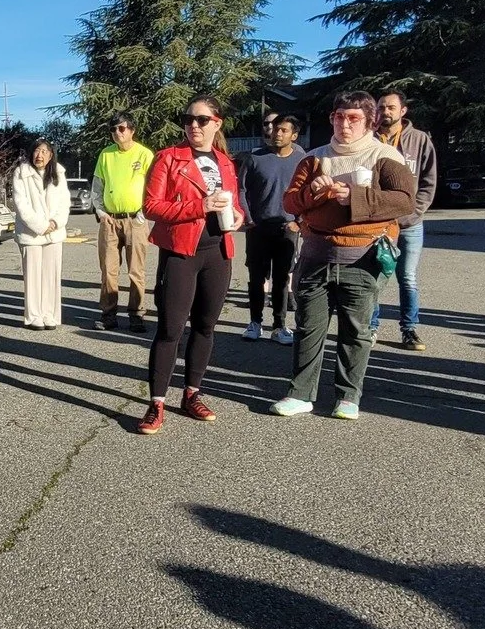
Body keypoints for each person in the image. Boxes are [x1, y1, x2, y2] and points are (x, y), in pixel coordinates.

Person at [269, 92, 418, 420]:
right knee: (308, 327)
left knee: (356, 330)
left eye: (353, 118)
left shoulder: (385, 156)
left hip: (363, 258)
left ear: (369, 121)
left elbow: (405, 200)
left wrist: (356, 196)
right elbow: (291, 203)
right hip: (315, 256)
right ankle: (301, 393)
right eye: (339, 116)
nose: (344, 124)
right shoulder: (315, 158)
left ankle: (348, 396)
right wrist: (314, 192)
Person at [136, 95, 245, 434]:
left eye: (201, 120)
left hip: (218, 251)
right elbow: (152, 207)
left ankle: (192, 393)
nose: (193, 125)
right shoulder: (169, 158)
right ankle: (156, 403)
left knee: (205, 327)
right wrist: (201, 205)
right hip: (181, 251)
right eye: (188, 119)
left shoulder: (226, 163)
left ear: (217, 123)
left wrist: (238, 215)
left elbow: (234, 204)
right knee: (170, 330)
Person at [370, 91, 439, 351]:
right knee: (374, 278)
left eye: (391, 107)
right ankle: (371, 327)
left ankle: (409, 329)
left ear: (403, 111)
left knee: (407, 278)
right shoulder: (369, 140)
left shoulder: (419, 140)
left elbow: (429, 182)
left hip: (410, 225)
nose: (385, 111)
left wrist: (414, 212)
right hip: (377, 224)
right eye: (381, 107)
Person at [238, 114, 302, 344]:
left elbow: (308, 195)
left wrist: (299, 222)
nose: (277, 133)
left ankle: (279, 325)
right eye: (275, 129)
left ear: (294, 135)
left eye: (283, 130)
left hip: (287, 228)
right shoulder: (255, 158)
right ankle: (255, 322)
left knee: (282, 279)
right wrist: (249, 219)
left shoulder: (302, 159)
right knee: (256, 278)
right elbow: (241, 190)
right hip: (258, 228)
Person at [91, 114, 156, 331]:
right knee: (108, 270)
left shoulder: (145, 154)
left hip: (135, 219)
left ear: (132, 130)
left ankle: (137, 315)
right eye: (113, 129)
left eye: (121, 128)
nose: (117, 133)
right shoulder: (106, 154)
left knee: (136, 270)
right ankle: (109, 314)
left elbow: (153, 187)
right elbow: (97, 186)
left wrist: (143, 213)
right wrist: (100, 211)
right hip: (110, 220)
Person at [9, 137, 72, 328]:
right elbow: (20, 204)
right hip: (31, 234)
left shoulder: (59, 173)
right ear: (31, 153)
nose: (40, 155)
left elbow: (65, 202)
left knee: (51, 276)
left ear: (51, 155)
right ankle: (34, 316)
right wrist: (41, 225)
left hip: (54, 232)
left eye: (45, 151)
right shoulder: (21, 172)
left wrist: (55, 223)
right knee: (33, 276)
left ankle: (50, 315)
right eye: (37, 151)